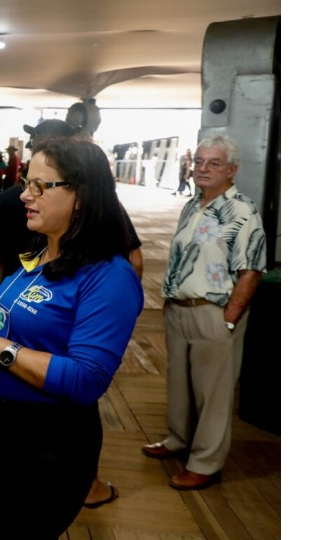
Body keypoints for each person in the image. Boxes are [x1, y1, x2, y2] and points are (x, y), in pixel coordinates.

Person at [0, 137, 143, 538]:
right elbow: (17, 325)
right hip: (4, 428)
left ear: (81, 196)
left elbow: (85, 379)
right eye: (24, 184)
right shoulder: (44, 252)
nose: (24, 196)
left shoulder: (109, 276)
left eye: (40, 186)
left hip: (49, 443)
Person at [144, 135, 266, 491]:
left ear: (232, 169)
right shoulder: (192, 205)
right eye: (199, 162)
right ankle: (178, 439)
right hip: (179, 309)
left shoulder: (242, 210)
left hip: (214, 312)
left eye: (214, 163)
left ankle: (206, 463)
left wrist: (230, 317)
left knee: (213, 393)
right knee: (179, 383)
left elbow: (251, 269)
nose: (203, 168)